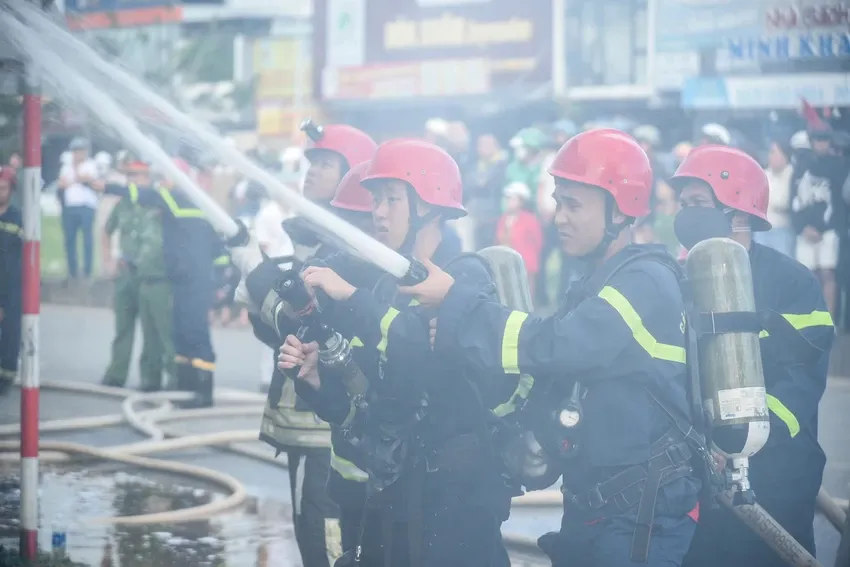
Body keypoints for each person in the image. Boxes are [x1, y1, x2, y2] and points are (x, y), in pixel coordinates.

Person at [400, 129, 702, 567]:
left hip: (641, 515)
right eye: (558, 203)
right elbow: (547, 374)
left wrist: (459, 304)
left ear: (620, 210)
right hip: (598, 510)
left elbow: (561, 346)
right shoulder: (595, 284)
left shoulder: (645, 280)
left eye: (573, 205)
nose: (559, 217)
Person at [291, 138, 514, 567]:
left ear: (429, 207)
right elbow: (371, 396)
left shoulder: (463, 279)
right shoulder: (384, 286)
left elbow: (421, 356)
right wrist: (318, 382)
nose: (378, 212)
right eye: (376, 199)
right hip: (394, 494)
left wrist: (352, 298)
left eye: (391, 199)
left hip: (454, 505)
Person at [671, 145, 835, 567]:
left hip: (775, 479)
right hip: (698, 484)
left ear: (738, 212)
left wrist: (742, 440)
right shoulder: (676, 279)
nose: (686, 215)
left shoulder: (791, 283)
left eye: (698, 203)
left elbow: (800, 384)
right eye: (683, 205)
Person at [248, 122, 378, 567]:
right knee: (311, 527)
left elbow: (304, 320)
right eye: (312, 162)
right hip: (307, 420)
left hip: (326, 426)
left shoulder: (344, 251)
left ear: (354, 176)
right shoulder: (314, 240)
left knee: (325, 535)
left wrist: (258, 280)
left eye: (325, 163)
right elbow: (280, 333)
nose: (312, 171)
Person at [93, 158, 225, 407]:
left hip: (192, 280)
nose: (162, 182)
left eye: (167, 178)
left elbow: (144, 194)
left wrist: (107, 187)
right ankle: (186, 390)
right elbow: (218, 248)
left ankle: (201, 391)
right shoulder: (195, 204)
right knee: (181, 334)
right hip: (183, 279)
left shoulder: (177, 200)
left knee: (193, 334)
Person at [101, 160, 174, 391]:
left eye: (137, 175)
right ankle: (116, 374)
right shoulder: (123, 204)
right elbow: (107, 230)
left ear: (147, 178)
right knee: (122, 327)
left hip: (148, 274)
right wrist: (109, 260)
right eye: (129, 175)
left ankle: (150, 379)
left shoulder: (156, 202)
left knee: (152, 331)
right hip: (125, 273)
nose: (132, 179)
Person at [790, 127, 848, 321]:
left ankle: (828, 320)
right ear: (812, 141)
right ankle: (812, 319)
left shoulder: (839, 165)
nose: (821, 144)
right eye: (818, 139)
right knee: (809, 276)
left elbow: (841, 202)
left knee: (828, 273)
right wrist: (802, 227)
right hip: (805, 231)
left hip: (829, 231)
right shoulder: (801, 165)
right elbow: (794, 200)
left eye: (824, 140)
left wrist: (829, 228)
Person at [57, 137, 99, 283]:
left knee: (87, 238)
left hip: (86, 206)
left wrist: (74, 174)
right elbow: (61, 184)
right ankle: (72, 270)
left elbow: (86, 178)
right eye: (75, 151)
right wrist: (74, 178)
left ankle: (87, 270)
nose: (77, 154)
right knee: (70, 239)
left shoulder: (90, 165)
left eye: (80, 151)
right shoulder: (65, 167)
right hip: (70, 206)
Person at [496, 182, 543, 302]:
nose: (509, 201)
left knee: (525, 297)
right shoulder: (503, 219)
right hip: (506, 264)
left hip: (525, 265)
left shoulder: (530, 219)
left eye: (512, 199)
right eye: (508, 198)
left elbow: (538, 242)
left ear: (521, 201)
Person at [0, 167, 22, 395]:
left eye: (3, 188)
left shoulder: (18, 219)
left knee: (10, 335)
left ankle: (5, 378)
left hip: (11, 286)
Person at [756, 139, 796, 257]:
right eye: (770, 152)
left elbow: (783, 202)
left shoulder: (793, 175)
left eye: (774, 152)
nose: (770, 156)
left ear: (785, 156)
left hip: (783, 230)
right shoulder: (763, 174)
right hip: (762, 230)